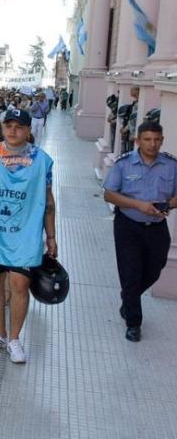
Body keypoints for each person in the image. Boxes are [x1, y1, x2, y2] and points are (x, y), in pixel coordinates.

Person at [0, 109, 56, 364]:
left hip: (25, 234)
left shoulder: (43, 161)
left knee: (19, 285)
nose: (13, 130)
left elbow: (48, 201)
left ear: (28, 130)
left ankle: (14, 338)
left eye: (19, 126)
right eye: (9, 125)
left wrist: (51, 237)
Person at [103, 121, 177, 342]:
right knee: (130, 272)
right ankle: (133, 322)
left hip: (157, 226)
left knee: (155, 269)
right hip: (128, 225)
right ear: (138, 141)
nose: (152, 144)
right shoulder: (124, 164)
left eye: (156, 140)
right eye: (147, 139)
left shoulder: (171, 165)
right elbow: (109, 194)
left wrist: (168, 205)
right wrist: (138, 205)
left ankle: (128, 296)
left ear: (162, 141)